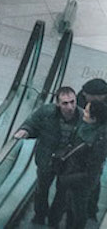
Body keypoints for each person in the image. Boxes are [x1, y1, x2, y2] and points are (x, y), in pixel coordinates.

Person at [15, 85, 82, 225]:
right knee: (41, 190)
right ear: (58, 103)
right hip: (47, 160)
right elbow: (32, 124)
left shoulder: (82, 117)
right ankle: (40, 215)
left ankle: (54, 220)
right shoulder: (46, 112)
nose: (70, 106)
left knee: (63, 194)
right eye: (65, 103)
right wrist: (25, 131)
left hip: (70, 164)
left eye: (72, 102)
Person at [49, 98, 107, 229]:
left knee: (77, 209)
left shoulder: (100, 140)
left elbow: (92, 171)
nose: (83, 113)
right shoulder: (84, 126)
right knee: (64, 202)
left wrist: (68, 179)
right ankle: (55, 223)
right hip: (69, 171)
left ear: (95, 118)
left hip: (80, 181)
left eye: (87, 112)